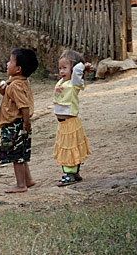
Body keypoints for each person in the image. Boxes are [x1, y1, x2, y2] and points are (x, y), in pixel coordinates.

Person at [0, 48, 38, 193]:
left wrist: (26, 122)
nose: (7, 63)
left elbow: (23, 105)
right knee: (21, 154)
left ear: (18, 69)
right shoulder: (21, 82)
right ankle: (28, 179)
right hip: (21, 124)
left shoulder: (15, 85)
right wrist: (3, 91)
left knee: (16, 156)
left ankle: (21, 185)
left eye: (10, 61)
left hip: (15, 125)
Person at [53, 49, 92, 186]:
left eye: (65, 68)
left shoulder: (75, 83)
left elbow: (77, 71)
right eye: (60, 68)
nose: (61, 71)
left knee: (70, 147)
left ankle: (70, 174)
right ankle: (75, 173)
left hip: (70, 123)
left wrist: (83, 66)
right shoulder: (63, 82)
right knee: (68, 147)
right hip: (63, 124)